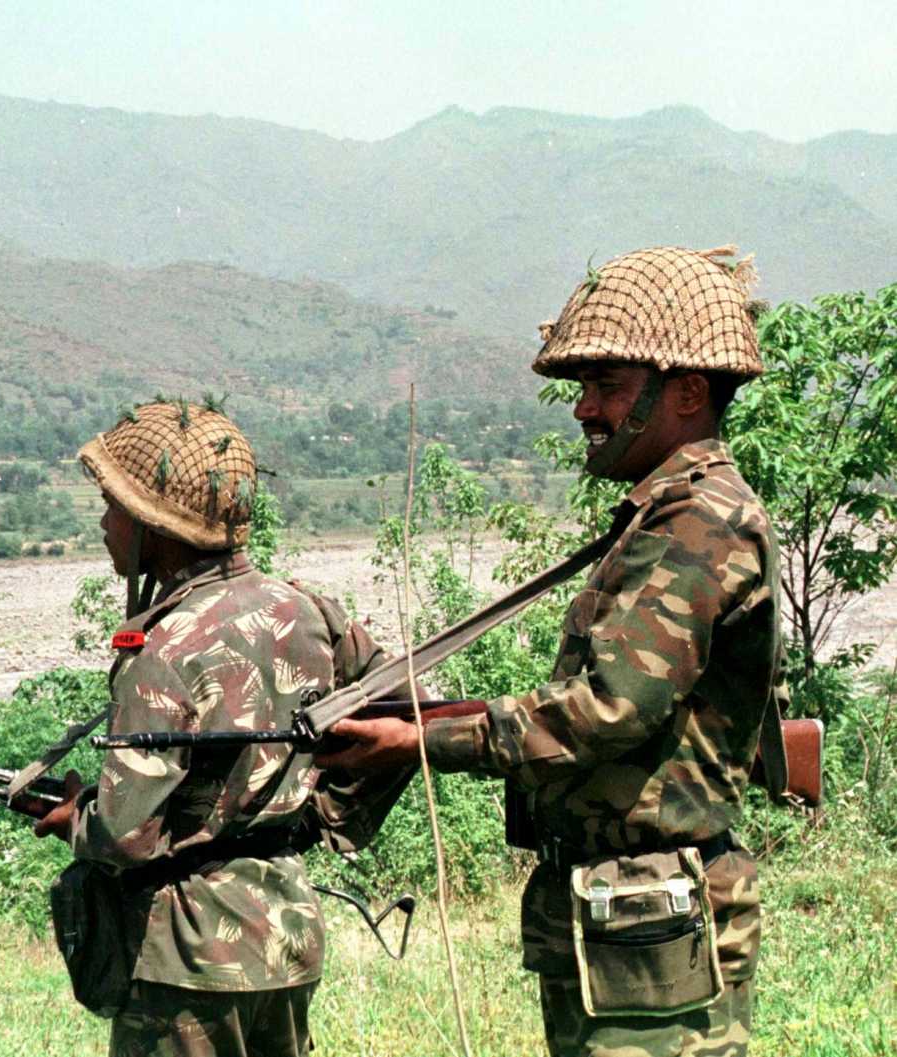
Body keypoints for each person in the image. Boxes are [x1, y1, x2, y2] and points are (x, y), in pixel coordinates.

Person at [316, 246, 785, 1057]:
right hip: (623, 911)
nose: (583, 410)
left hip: (653, 917)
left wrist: (420, 738)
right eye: (583, 388)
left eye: (606, 385)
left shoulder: (699, 519)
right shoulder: (662, 515)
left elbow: (613, 705)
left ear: (686, 392)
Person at [33, 399, 398, 1057]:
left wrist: (75, 819)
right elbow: (407, 716)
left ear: (154, 524)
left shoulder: (161, 650)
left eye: (114, 506)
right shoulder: (310, 611)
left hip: (187, 957)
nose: (103, 522)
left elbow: (124, 836)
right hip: (287, 939)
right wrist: (321, 816)